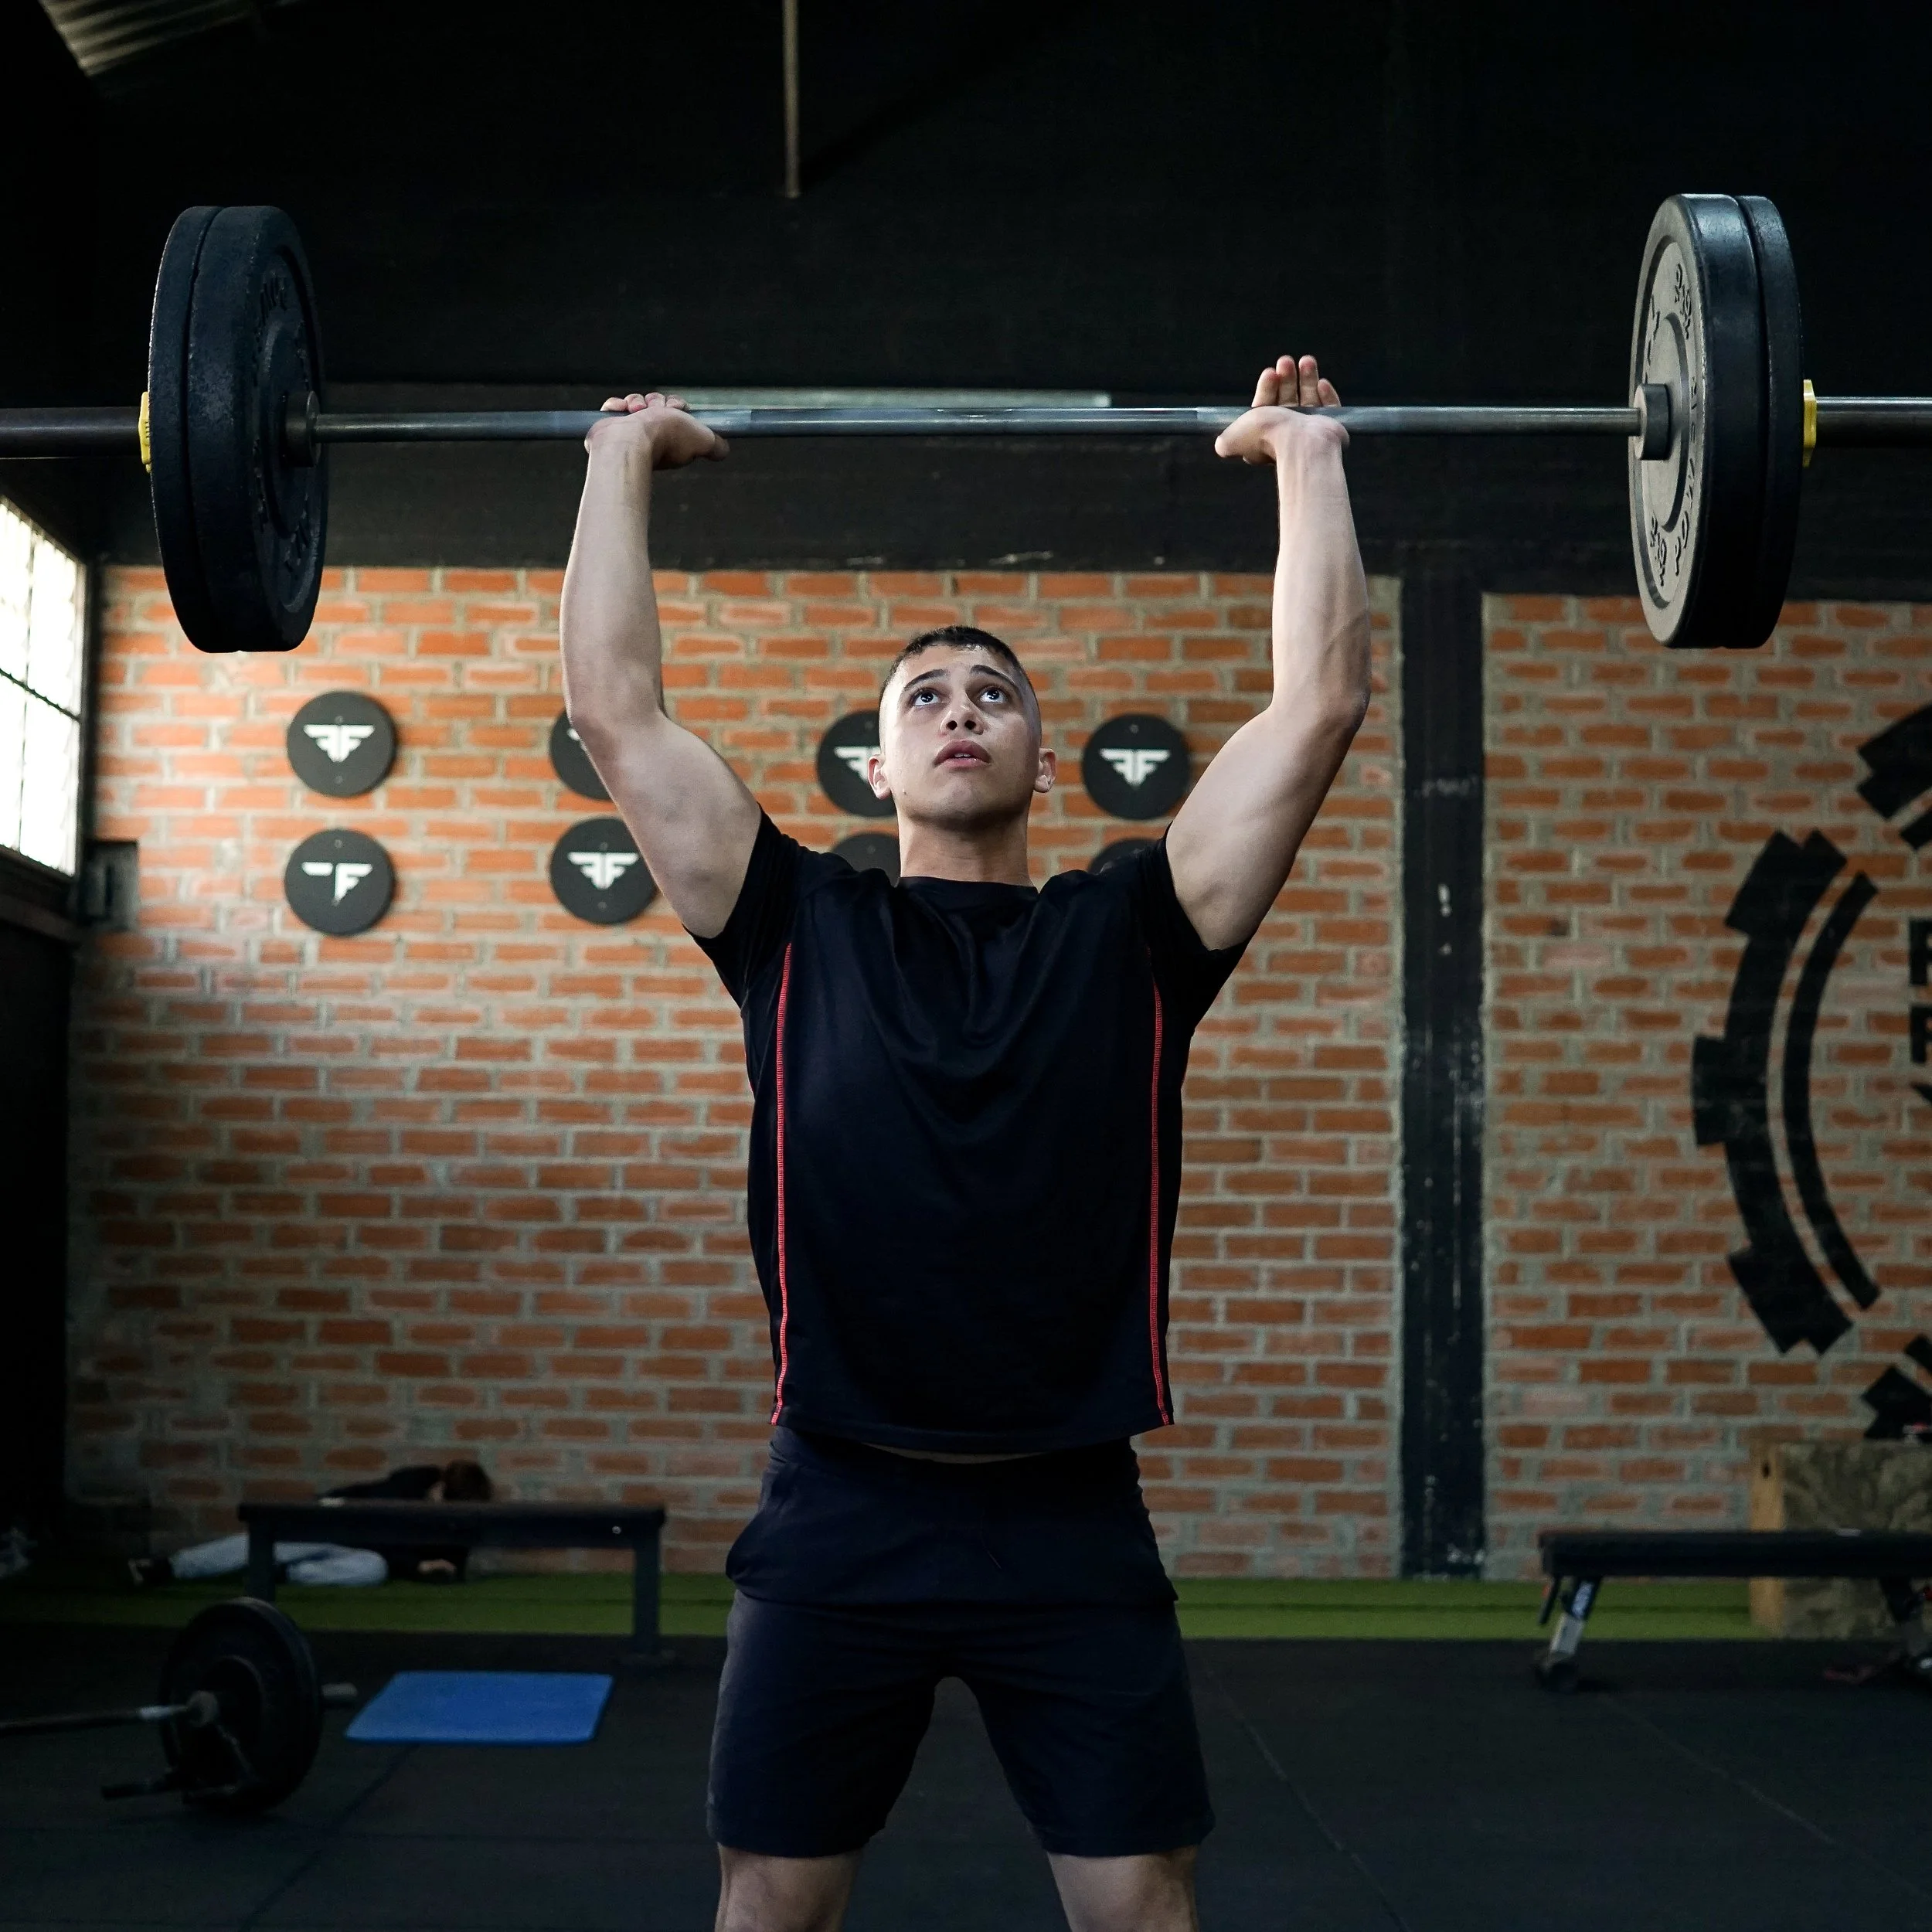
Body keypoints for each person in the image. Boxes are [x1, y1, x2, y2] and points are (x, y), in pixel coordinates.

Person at [560, 355, 1368, 1932]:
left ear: (1041, 760)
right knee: (771, 1903)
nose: (959, 711)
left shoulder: (1134, 933)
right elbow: (613, 707)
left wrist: (1308, 456)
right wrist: (619, 458)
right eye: (923, 697)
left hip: (1066, 1511)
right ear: (876, 767)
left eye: (992, 695)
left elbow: (1318, 708)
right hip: (838, 1505)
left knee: (1140, 1905)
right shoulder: (790, 923)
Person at [128, 1458, 494, 1588]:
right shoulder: (411, 1483)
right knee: (268, 1544)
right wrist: (415, 1565)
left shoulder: (457, 1523)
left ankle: (286, 1576)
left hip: (361, 1552)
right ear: (438, 1486)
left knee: (373, 1569)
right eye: (440, 1497)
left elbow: (451, 1566)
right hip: (331, 1521)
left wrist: (439, 1571)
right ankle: (168, 1568)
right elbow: (374, 1530)